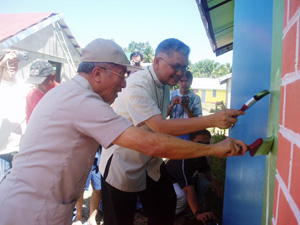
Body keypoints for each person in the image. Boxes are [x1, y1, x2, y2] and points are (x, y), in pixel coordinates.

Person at [0, 38, 247, 225]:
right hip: (34, 209)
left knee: (163, 205)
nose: (124, 83)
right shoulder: (84, 102)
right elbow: (155, 138)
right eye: (121, 75)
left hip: (37, 200)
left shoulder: (71, 93)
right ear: (97, 73)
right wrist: (213, 147)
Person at [99, 38, 246, 225]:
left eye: (184, 67)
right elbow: (160, 126)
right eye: (176, 66)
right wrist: (213, 120)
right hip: (123, 162)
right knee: (120, 220)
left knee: (165, 207)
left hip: (149, 160)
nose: (180, 73)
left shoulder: (165, 84)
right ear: (157, 61)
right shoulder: (137, 84)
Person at [166, 129, 222, 225]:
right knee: (182, 195)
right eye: (200, 143)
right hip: (167, 184)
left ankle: (193, 205)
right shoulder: (184, 157)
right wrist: (198, 213)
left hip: (181, 181)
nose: (203, 146)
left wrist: (213, 179)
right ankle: (170, 213)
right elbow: (188, 189)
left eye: (206, 143)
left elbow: (206, 170)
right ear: (191, 141)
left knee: (205, 184)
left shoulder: (199, 153)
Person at [0, 49, 29, 180]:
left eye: (15, 62)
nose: (12, 65)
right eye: (9, 62)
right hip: (1, 151)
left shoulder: (25, 86)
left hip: (20, 150)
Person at [168, 70, 202, 140]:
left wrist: (186, 107)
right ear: (178, 82)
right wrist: (172, 105)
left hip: (189, 132)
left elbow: (198, 120)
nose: (184, 84)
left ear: (191, 82)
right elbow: (164, 115)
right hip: (173, 131)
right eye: (181, 81)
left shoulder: (196, 98)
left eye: (186, 81)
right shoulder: (171, 95)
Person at [74, 146, 102, 225]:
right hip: (83, 155)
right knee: (80, 188)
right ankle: (78, 217)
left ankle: (92, 218)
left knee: (98, 189)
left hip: (99, 155)